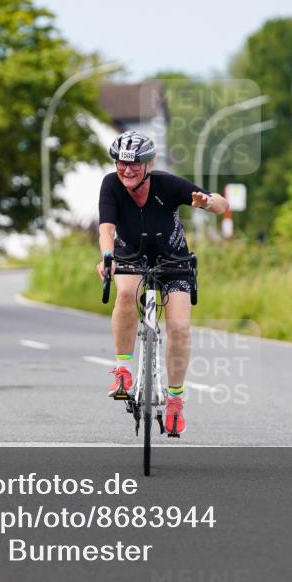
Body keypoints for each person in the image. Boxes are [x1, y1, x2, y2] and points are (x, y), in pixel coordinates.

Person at [96, 130, 229, 436]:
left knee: (180, 327)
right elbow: (106, 227)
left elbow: (222, 205)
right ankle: (123, 371)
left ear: (150, 163)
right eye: (121, 163)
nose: (127, 170)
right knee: (127, 293)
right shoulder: (110, 185)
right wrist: (107, 256)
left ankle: (175, 401)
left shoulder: (167, 185)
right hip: (131, 254)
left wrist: (206, 203)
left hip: (174, 259)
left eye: (135, 164)